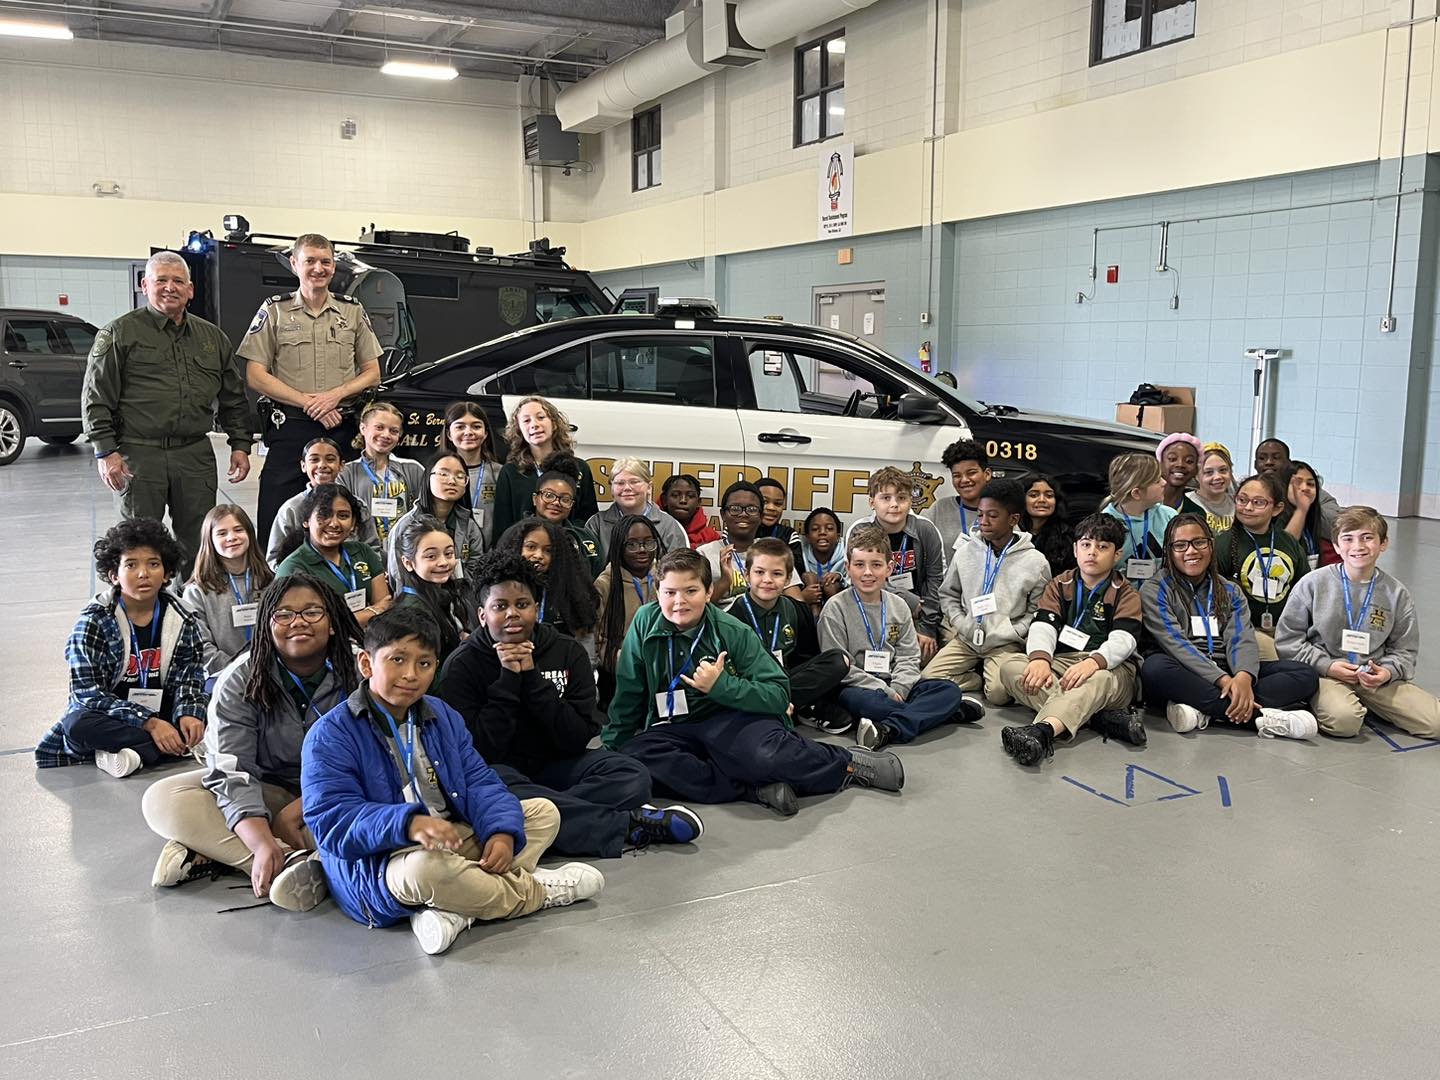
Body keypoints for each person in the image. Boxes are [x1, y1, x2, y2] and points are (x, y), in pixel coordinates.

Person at [301, 607, 604, 956]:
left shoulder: (440, 714)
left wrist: (501, 832)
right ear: (366, 664)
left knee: (543, 813)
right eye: (397, 659)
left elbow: (478, 780)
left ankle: (455, 909)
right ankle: (536, 892)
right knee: (425, 871)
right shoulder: (330, 735)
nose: (410, 675)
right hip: (384, 861)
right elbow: (332, 822)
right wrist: (409, 824)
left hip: (450, 837)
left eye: (425, 664)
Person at [602, 548, 905, 817]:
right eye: (669, 593)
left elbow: (777, 694)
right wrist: (613, 748)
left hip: (730, 716)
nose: (679, 602)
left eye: (690, 591)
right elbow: (629, 691)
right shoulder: (645, 622)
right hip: (672, 726)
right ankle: (753, 790)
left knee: (765, 756)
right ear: (658, 593)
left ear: (709, 592)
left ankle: (847, 762)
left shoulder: (731, 630)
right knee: (633, 760)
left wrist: (721, 686)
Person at [437, 551, 701, 858]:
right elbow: (482, 750)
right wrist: (508, 681)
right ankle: (625, 825)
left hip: (557, 764)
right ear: (482, 615)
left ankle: (550, 816)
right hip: (500, 770)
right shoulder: (461, 666)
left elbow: (578, 736)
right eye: (500, 606)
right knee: (492, 791)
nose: (512, 614)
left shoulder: (567, 651)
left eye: (522, 605)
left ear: (536, 608)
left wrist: (532, 680)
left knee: (632, 776)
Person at [140, 575, 360, 909]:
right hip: (269, 789)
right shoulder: (242, 678)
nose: (298, 622)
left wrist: (299, 809)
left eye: (312, 612)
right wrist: (259, 842)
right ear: (267, 625)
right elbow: (232, 769)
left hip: (341, 795)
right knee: (163, 799)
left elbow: (382, 755)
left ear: (332, 622)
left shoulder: (362, 668)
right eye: (284, 615)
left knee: (367, 826)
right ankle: (291, 864)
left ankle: (214, 850)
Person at [82, 250, 252, 574]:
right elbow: (95, 397)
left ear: (191, 290)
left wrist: (240, 445)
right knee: (138, 542)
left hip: (194, 455)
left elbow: (233, 397)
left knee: (200, 541)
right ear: (144, 285)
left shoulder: (212, 338)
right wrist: (106, 452)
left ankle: (191, 612)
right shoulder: (120, 334)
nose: (169, 287)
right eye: (161, 280)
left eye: (178, 281)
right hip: (139, 455)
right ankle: (142, 615)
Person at [240, 232, 383, 542]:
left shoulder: (352, 311)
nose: (318, 268)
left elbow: (372, 373)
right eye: (310, 261)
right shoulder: (275, 310)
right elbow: (255, 375)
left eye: (325, 262)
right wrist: (309, 403)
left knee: (341, 512)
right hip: (291, 428)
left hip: (340, 428)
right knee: (276, 514)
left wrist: (335, 396)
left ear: (333, 267)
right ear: (294, 264)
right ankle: (277, 583)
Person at [36, 519, 207, 777]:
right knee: (77, 724)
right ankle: (166, 748)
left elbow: (190, 678)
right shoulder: (94, 621)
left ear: (168, 573)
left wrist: (189, 714)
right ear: (114, 575)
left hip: (162, 711)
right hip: (112, 715)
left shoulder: (183, 618)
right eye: (131, 564)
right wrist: (148, 723)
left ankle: (133, 753)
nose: (143, 573)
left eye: (153, 564)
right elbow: (87, 693)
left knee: (219, 700)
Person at [1138, 514, 1319, 738]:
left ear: (1211, 545)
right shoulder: (1155, 589)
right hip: (1185, 671)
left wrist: (1243, 677)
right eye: (1180, 546)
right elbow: (1176, 644)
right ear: (1169, 552)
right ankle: (1262, 720)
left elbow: (1241, 637)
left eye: (1199, 542)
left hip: (1227, 667)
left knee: (1305, 674)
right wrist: (1223, 680)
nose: (1191, 551)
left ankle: (1204, 710)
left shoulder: (1230, 589)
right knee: (1154, 668)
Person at [994, 514, 1147, 765]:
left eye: (1103, 546)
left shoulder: (1125, 592)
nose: (1092, 552)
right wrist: (1040, 659)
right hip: (1063, 662)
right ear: (1075, 549)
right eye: (1086, 545)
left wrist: (1094, 662)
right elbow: (1043, 625)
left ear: (1117, 555)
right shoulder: (1060, 584)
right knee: (1011, 667)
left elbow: (1124, 640)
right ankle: (1097, 718)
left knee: (1095, 682)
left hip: (1111, 669)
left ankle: (1042, 732)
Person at [1276, 507, 1440, 739]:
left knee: (1437, 723)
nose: (1358, 546)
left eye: (1367, 537)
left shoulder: (1396, 593)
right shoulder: (1313, 583)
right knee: (1344, 723)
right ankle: (1329, 699)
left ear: (1383, 543)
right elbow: (1288, 641)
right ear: (1336, 546)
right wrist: (1327, 666)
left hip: (1374, 676)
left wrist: (1387, 672)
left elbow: (1405, 649)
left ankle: (1368, 701)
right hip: (1327, 672)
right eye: (1348, 538)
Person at [818, 525, 979, 750]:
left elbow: (908, 656)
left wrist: (900, 688)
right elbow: (839, 667)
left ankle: (888, 729)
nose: (867, 573)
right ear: (847, 568)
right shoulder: (835, 608)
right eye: (859, 565)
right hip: (858, 687)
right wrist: (883, 690)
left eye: (876, 565)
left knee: (948, 690)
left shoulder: (899, 605)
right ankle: (944, 714)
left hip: (896, 683)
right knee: (869, 703)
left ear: (889, 568)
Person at [921, 478, 1052, 702]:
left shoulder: (1036, 562)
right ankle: (975, 679)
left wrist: (1015, 630)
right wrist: (961, 622)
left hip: (1004, 642)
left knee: (999, 695)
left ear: (1013, 519)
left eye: (992, 515)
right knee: (928, 679)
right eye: (980, 514)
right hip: (967, 638)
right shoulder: (966, 552)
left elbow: (1037, 608)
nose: (983, 521)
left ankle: (989, 678)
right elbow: (948, 593)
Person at [728, 538, 852, 732]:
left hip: (788, 678)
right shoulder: (731, 619)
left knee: (839, 660)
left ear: (787, 579)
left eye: (777, 574)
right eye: (759, 572)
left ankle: (782, 706)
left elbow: (807, 657)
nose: (767, 580)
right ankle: (789, 706)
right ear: (746, 575)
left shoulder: (796, 609)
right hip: (753, 686)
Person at [846, 466, 946, 663]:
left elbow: (937, 579)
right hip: (873, 607)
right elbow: (859, 579)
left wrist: (927, 627)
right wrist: (908, 600)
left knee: (929, 656)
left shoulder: (925, 529)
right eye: (886, 498)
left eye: (901, 498)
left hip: (922, 611)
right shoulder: (860, 530)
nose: (894, 505)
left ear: (911, 501)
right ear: (872, 502)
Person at [1214, 472, 1310, 659]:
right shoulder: (1224, 543)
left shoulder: (1288, 542)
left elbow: (1304, 589)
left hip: (1285, 630)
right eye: (1242, 500)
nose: (1247, 507)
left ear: (1277, 508)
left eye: (1258, 502)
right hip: (1242, 631)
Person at [274, 484, 392, 627]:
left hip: (370, 642)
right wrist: (372, 612)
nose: (334, 523)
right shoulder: (293, 568)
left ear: (353, 522)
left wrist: (340, 620)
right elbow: (313, 625)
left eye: (343, 516)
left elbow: (386, 607)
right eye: (324, 515)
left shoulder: (363, 552)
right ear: (306, 521)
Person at [182, 504, 274, 679]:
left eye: (238, 530)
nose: (232, 537)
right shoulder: (197, 591)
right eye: (222, 533)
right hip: (221, 676)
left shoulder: (270, 580)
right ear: (210, 540)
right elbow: (200, 646)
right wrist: (238, 670)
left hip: (270, 672)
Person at [490, 396, 600, 543]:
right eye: (526, 420)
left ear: (554, 424)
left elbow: (587, 519)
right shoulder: (510, 472)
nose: (534, 425)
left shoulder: (579, 468)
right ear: (519, 429)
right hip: (523, 553)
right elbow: (502, 526)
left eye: (541, 417)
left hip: (567, 549)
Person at [495, 517, 599, 655]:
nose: (538, 555)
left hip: (561, 668)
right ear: (516, 546)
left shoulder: (570, 588)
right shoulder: (499, 590)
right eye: (531, 547)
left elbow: (585, 642)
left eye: (548, 551)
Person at [594, 515, 663, 707]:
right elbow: (597, 639)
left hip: (662, 670)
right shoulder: (605, 584)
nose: (642, 550)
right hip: (619, 673)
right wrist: (625, 663)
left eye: (648, 543)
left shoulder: (665, 578)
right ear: (618, 547)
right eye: (631, 544)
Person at [386, 452, 487, 582]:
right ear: (428, 477)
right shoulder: (406, 525)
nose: (452, 481)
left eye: (460, 476)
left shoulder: (469, 525)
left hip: (460, 598)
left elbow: (476, 570)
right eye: (444, 474)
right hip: (420, 599)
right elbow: (398, 576)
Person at [337, 402, 424, 550]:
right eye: (379, 427)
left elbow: (424, 515)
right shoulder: (346, 472)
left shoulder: (413, 469)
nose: (386, 435)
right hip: (363, 553)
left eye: (393, 431)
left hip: (406, 552)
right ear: (363, 428)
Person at [697, 481, 803, 604]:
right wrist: (724, 582)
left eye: (751, 509)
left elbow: (797, 602)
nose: (743, 514)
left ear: (760, 515)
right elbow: (697, 605)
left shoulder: (774, 550)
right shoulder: (704, 554)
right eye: (735, 509)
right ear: (723, 515)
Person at [389, 515, 475, 665]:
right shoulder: (412, 615)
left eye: (448, 554)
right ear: (408, 563)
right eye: (431, 556)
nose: (443, 562)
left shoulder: (444, 594)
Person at [584, 457, 688, 562]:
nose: (627, 488)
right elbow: (588, 568)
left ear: (649, 487)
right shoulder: (596, 524)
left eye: (634, 482)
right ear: (611, 488)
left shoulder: (669, 526)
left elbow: (680, 570)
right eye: (620, 483)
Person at [1101, 452, 1176, 587]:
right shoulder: (1104, 525)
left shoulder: (1170, 517)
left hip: (1163, 599)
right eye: (1157, 480)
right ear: (1136, 493)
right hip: (1123, 601)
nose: (1164, 483)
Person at [265, 437, 344, 565]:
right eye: (314, 459)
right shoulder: (291, 509)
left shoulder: (356, 505)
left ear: (341, 465)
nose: (322, 465)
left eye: (330, 459)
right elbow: (274, 559)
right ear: (303, 466)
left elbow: (371, 549)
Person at [528, 456, 603, 576]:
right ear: (535, 498)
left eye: (565, 499)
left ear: (572, 504)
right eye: (548, 495)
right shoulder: (517, 535)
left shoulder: (586, 539)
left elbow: (598, 581)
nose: (556, 502)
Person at [1255, 438, 1341, 541]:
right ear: (1255, 464)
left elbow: (1336, 526)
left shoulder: (1307, 490)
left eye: (1276, 457)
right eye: (1262, 458)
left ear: (1288, 463)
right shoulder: (1248, 490)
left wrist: (1302, 506)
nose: (1269, 462)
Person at [441, 400, 500, 538]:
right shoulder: (437, 474)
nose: (468, 432)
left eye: (476, 426)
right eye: (460, 427)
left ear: (485, 433)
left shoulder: (499, 473)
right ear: (449, 434)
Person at [922, 439, 991, 553]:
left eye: (971, 473)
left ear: (987, 474)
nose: (964, 480)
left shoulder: (1000, 511)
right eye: (957, 475)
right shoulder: (939, 509)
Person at [1286, 461, 1340, 570]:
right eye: (1297, 483)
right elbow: (1284, 551)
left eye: (1310, 484)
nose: (1305, 488)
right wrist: (1301, 510)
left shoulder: (1314, 517)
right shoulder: (1273, 517)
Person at [1021, 472, 1075, 577]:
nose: (1042, 500)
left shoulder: (1068, 537)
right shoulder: (1011, 532)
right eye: (1033, 495)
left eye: (1049, 495)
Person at [797, 507, 848, 617]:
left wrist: (840, 576)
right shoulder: (800, 552)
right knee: (808, 576)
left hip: (837, 598)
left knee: (830, 585)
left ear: (838, 535)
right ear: (807, 536)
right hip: (811, 602)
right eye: (815, 529)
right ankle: (815, 620)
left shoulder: (847, 553)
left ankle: (835, 619)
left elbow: (852, 581)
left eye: (829, 528)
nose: (822, 533)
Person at [660, 473, 720, 549]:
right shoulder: (653, 530)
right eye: (675, 495)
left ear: (698, 502)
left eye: (690, 496)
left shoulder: (711, 537)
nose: (683, 500)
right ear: (664, 500)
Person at [1190, 442, 1237, 535]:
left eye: (1223, 470)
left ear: (1231, 471)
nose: (1217, 477)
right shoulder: (1187, 503)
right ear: (1196, 475)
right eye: (1209, 472)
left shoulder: (1239, 503)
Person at [1156, 433, 1207, 514]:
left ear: (1196, 469)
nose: (1180, 464)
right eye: (1172, 459)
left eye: (1189, 461)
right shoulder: (1143, 504)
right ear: (1160, 463)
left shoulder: (1196, 513)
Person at [755, 478, 798, 547]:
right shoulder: (742, 530)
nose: (771, 508)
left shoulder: (787, 534)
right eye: (765, 502)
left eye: (778, 503)